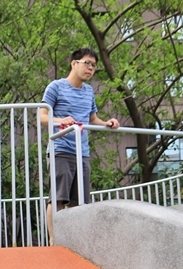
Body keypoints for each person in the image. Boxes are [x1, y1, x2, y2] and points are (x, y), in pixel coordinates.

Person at [40, 48, 119, 242]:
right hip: (61, 149)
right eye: (87, 63)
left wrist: (107, 123)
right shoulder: (56, 87)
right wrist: (61, 121)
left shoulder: (89, 91)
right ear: (74, 63)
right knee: (58, 197)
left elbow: (92, 118)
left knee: (79, 201)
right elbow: (42, 117)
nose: (90, 68)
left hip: (82, 152)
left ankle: (73, 243)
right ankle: (54, 240)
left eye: (93, 65)